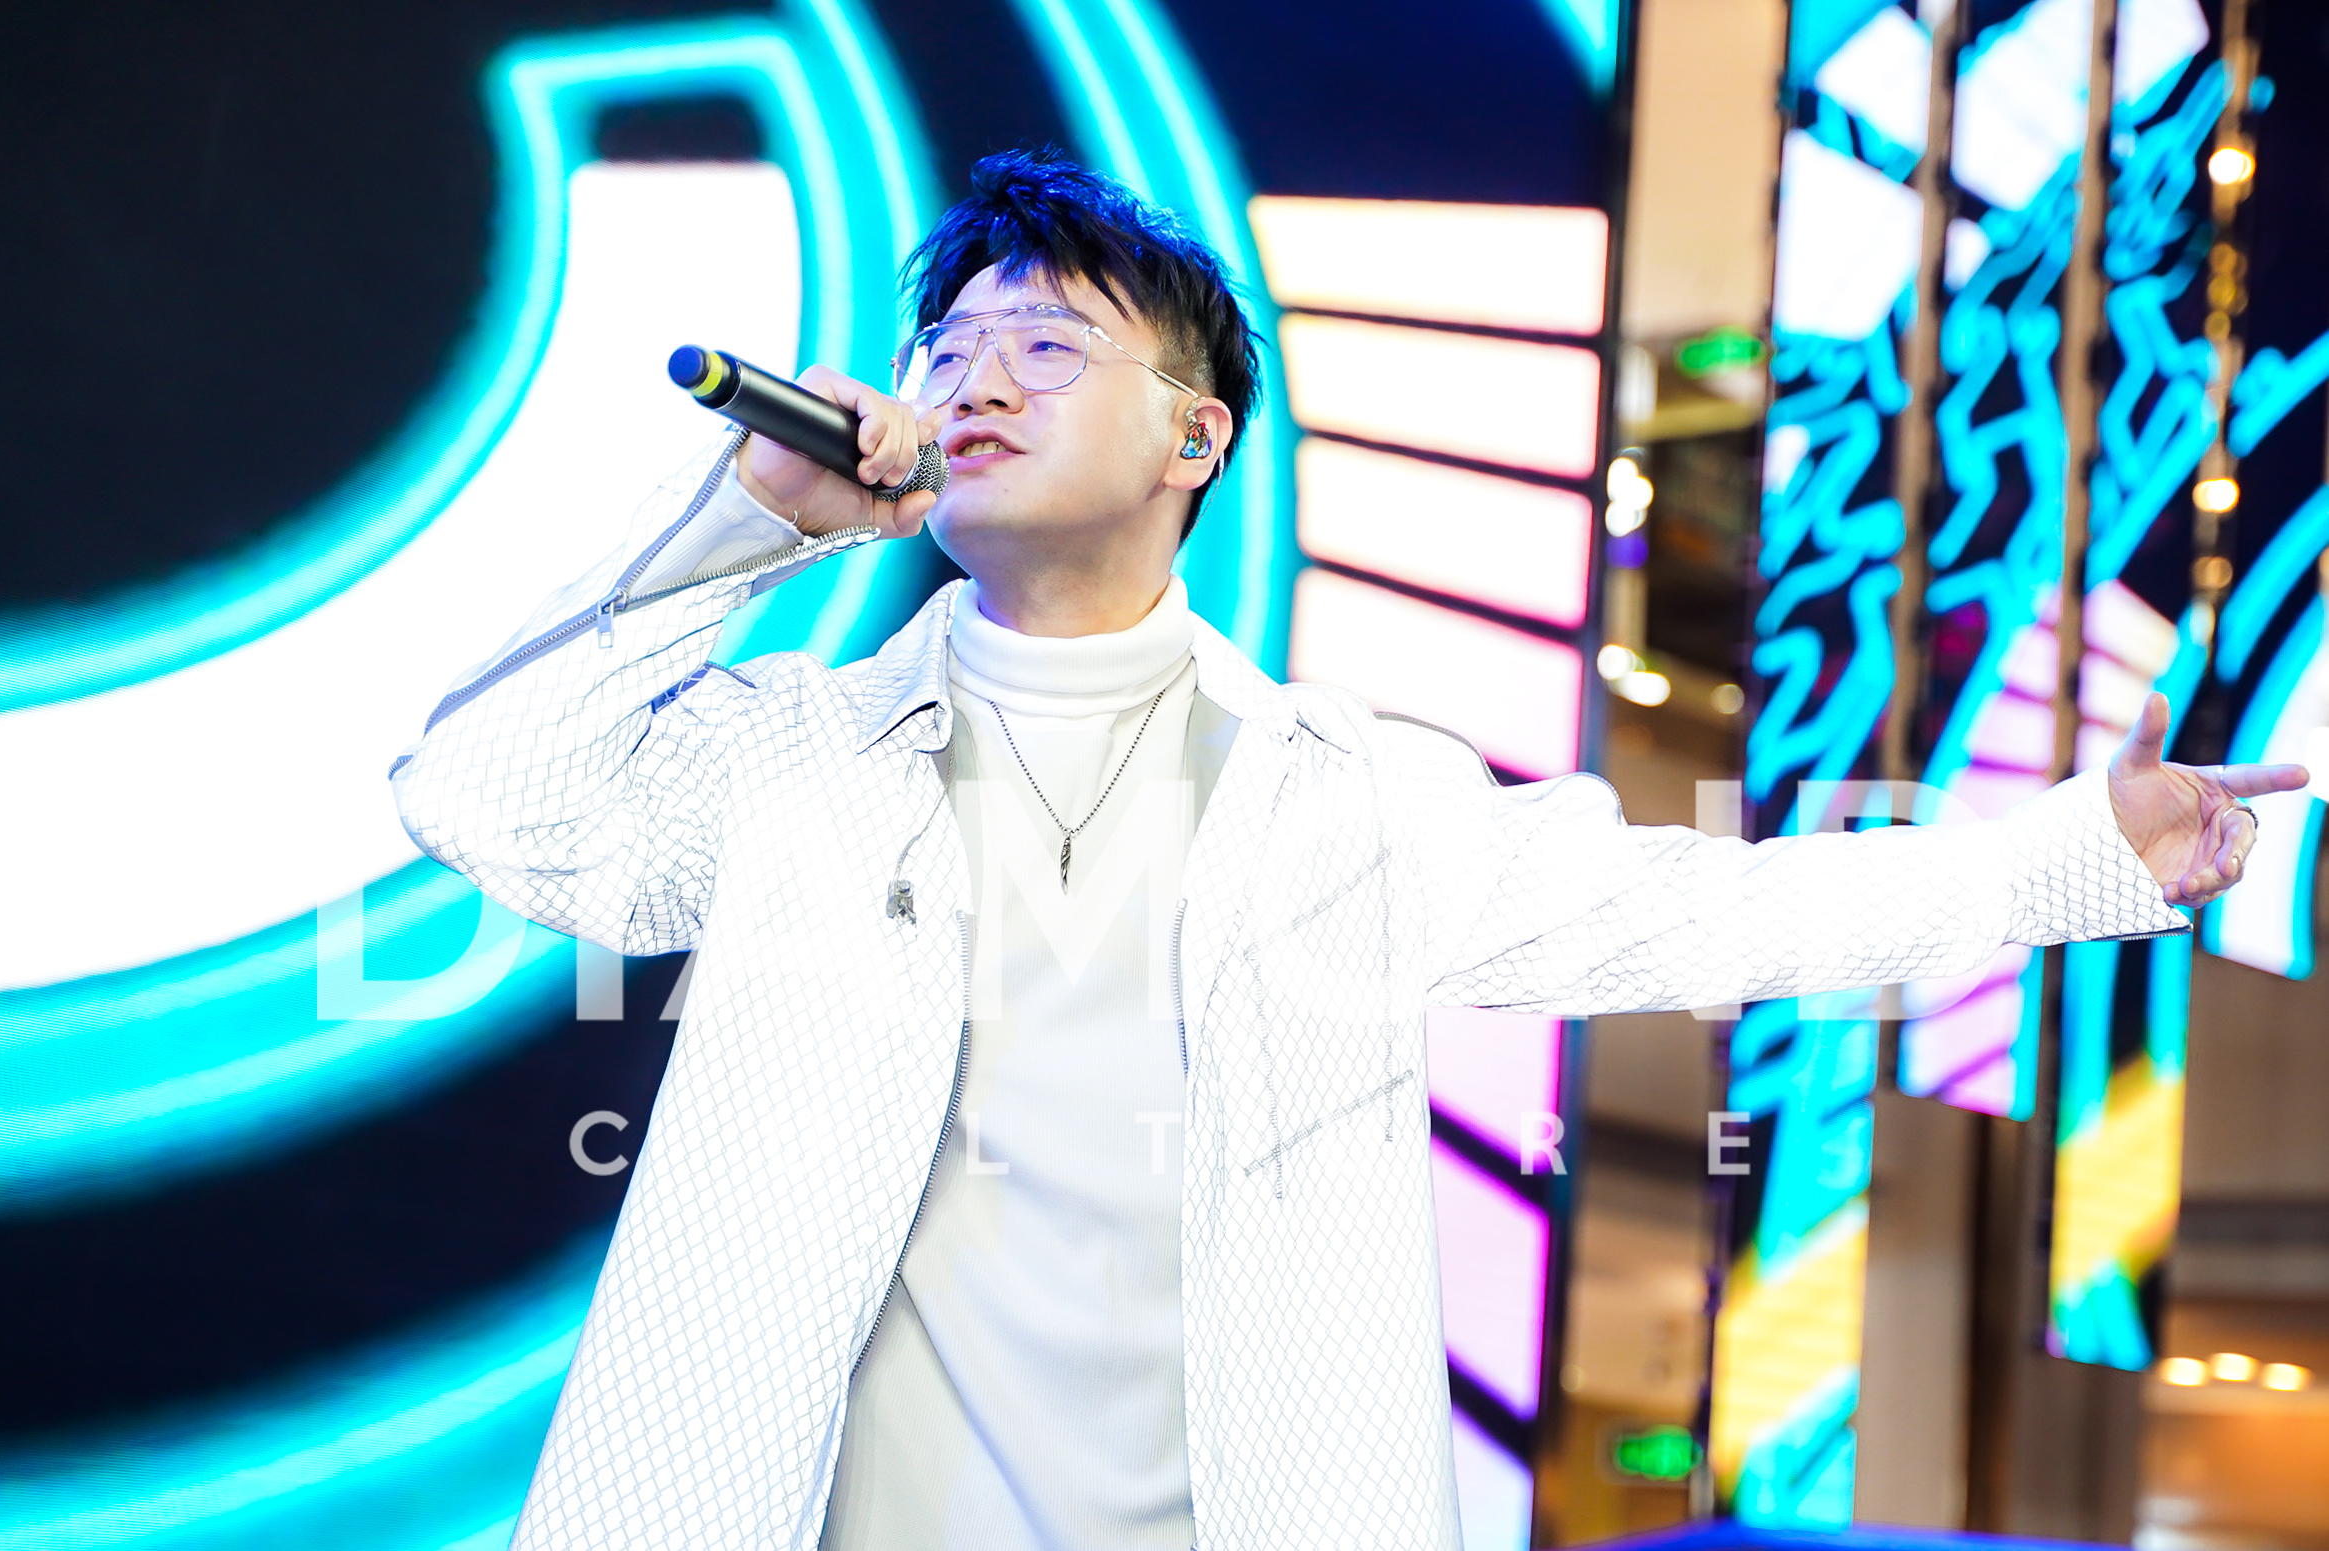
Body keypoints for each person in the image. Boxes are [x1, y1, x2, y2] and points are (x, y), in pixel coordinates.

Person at [388, 150, 2305, 1551]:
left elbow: (1710, 909)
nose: (974, 380)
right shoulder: (796, 760)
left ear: (1195, 440)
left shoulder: (1345, 798)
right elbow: (486, 791)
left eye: (1047, 344)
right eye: (948, 346)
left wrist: (2079, 858)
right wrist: (751, 519)